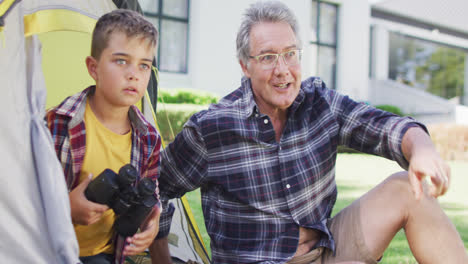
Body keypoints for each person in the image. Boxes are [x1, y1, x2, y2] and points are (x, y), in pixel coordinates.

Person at [151, 1, 468, 264]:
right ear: (244, 66)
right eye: (267, 57)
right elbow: (157, 186)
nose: (283, 70)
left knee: (407, 189)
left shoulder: (320, 105)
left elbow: (385, 127)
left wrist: (422, 148)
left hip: (325, 250)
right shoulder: (212, 128)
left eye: (290, 53)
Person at [45, 9, 162, 264]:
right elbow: (23, 196)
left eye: (144, 65)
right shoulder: (56, 123)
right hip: (47, 250)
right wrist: (64, 208)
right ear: (93, 68)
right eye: (121, 61)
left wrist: (152, 221)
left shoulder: (149, 138)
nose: (134, 74)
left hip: (107, 252)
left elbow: (150, 192)